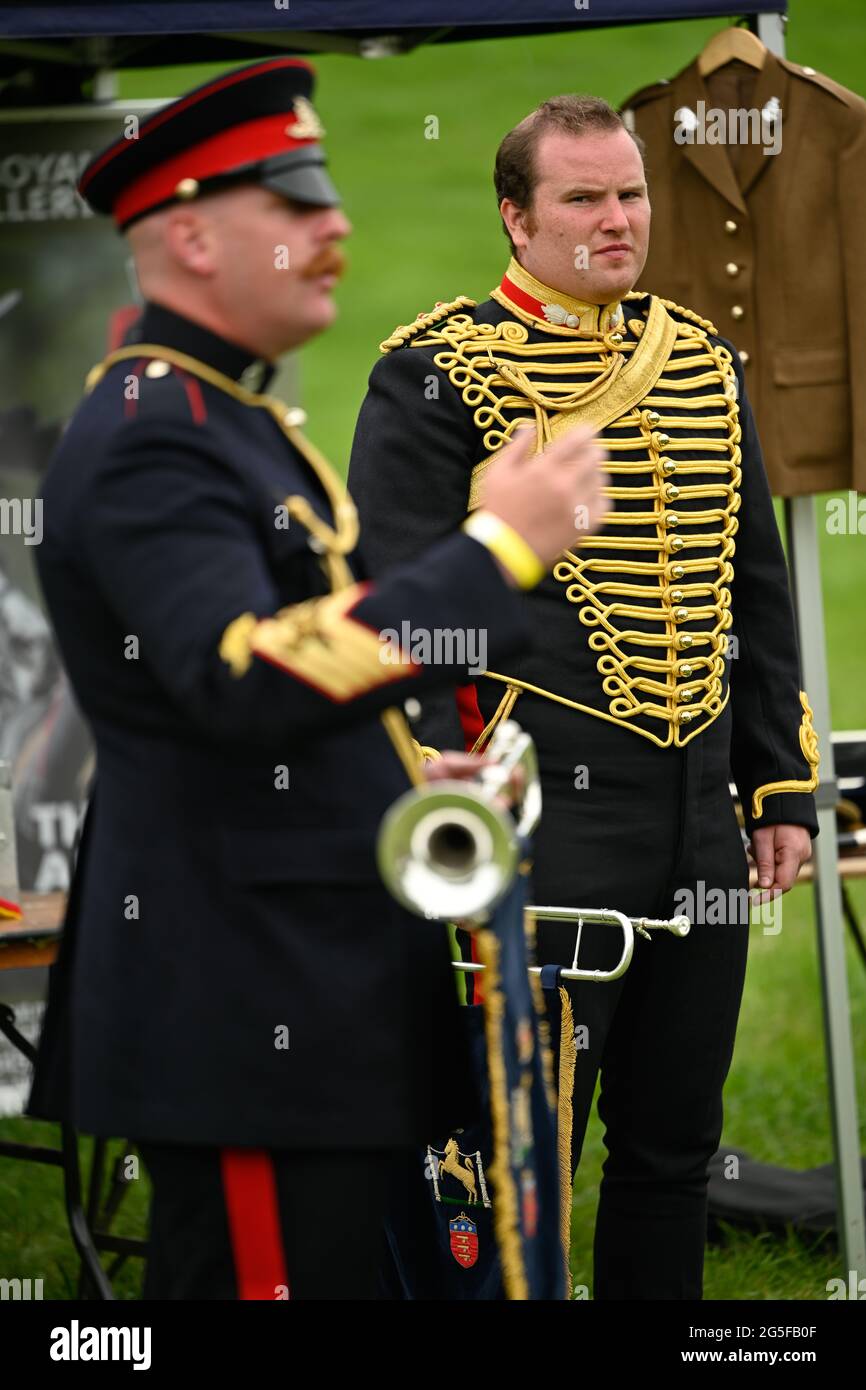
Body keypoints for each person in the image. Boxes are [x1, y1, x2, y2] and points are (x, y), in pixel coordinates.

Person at [25, 60, 604, 1301]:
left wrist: (406, 769)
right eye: (292, 200)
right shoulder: (150, 435)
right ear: (187, 234)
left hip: (306, 986)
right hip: (241, 1001)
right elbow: (239, 674)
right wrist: (495, 547)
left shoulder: (224, 415)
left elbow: (287, 687)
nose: (333, 224)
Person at [347, 94, 819, 1301]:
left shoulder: (703, 362)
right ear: (515, 216)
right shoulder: (431, 373)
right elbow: (395, 607)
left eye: (630, 194)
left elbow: (753, 595)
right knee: (517, 1157)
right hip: (540, 817)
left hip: (696, 818)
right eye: (581, 198)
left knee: (671, 1148)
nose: (617, 220)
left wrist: (774, 786)